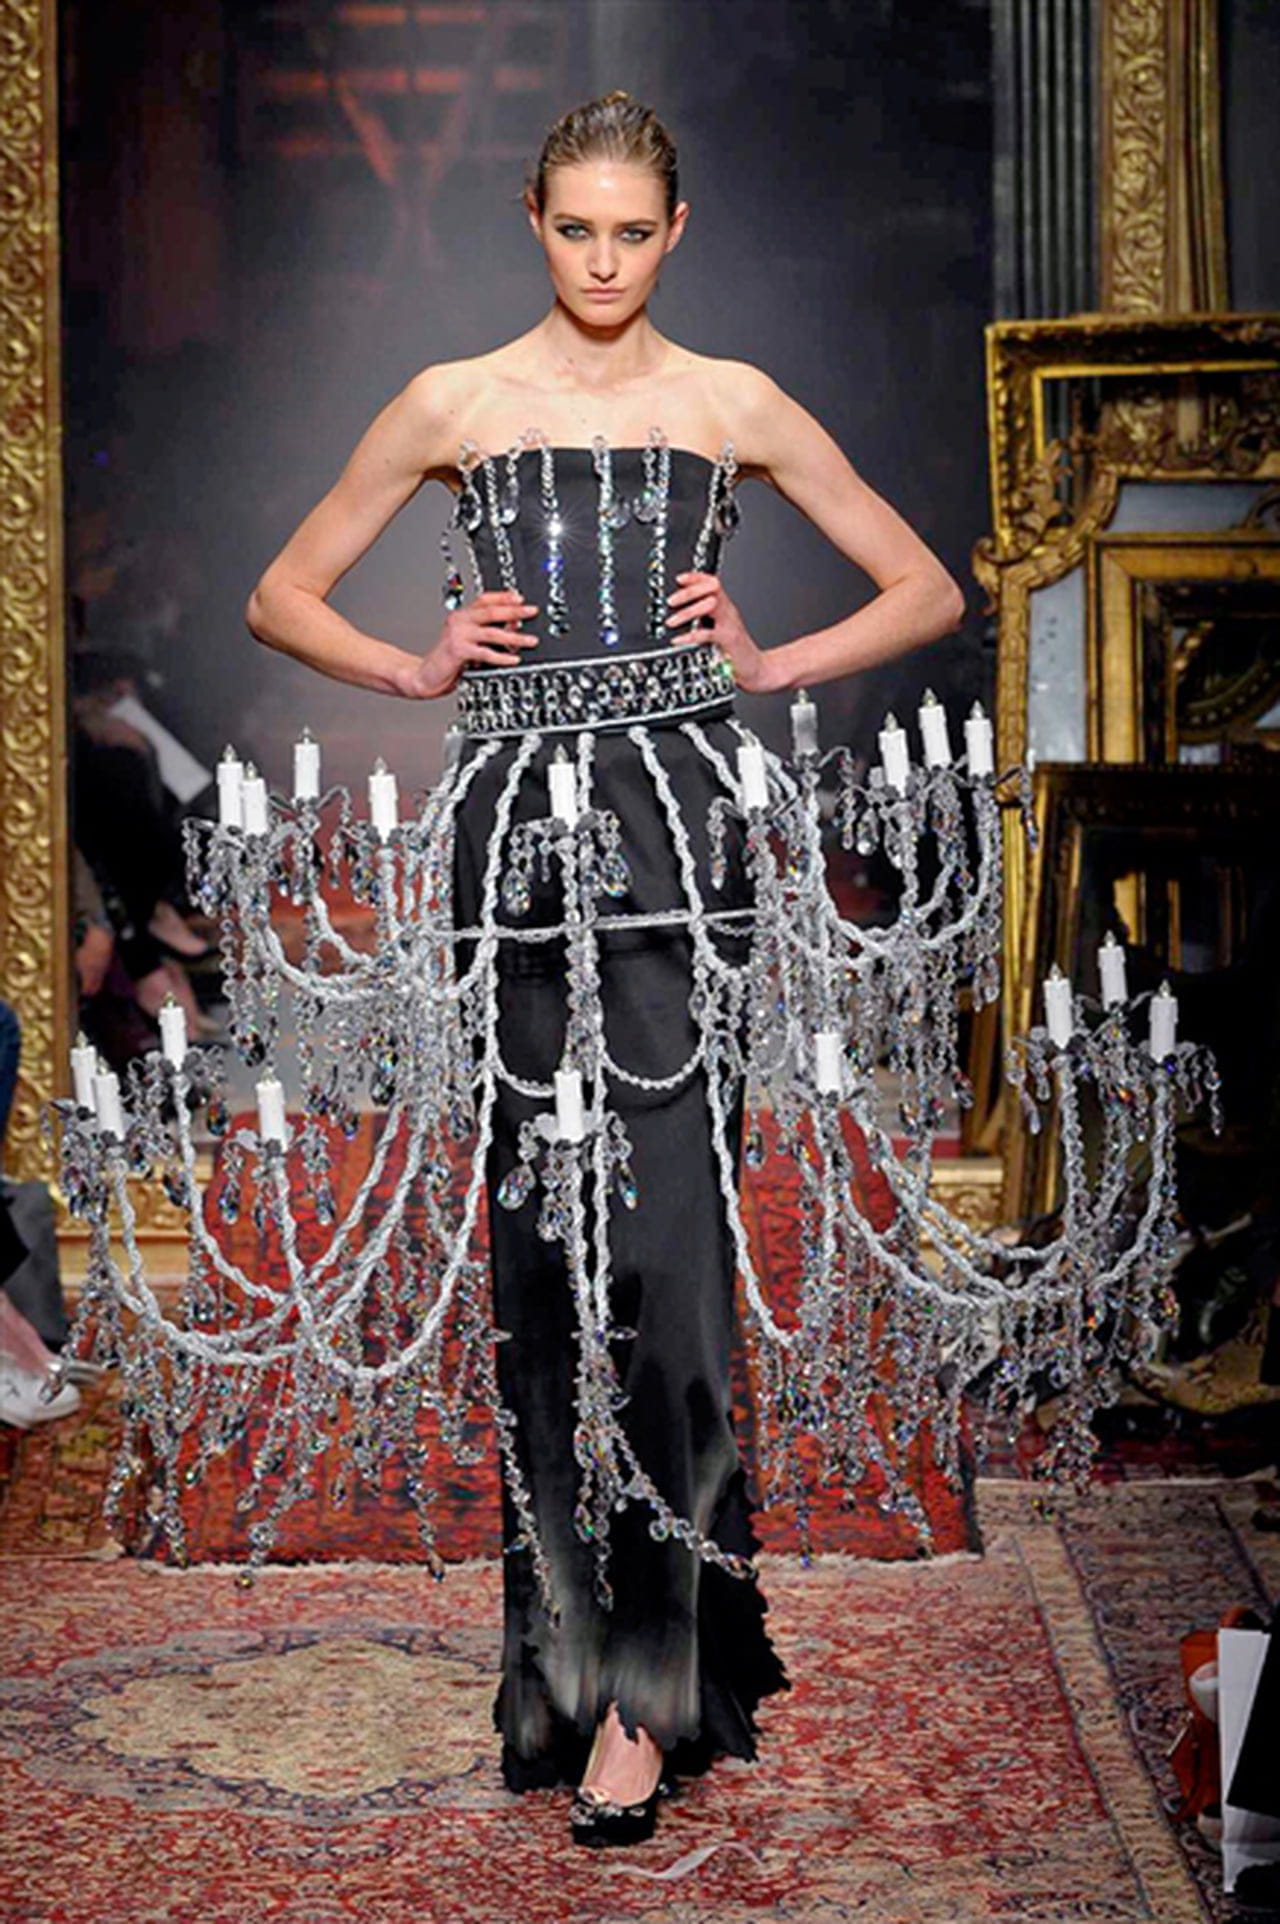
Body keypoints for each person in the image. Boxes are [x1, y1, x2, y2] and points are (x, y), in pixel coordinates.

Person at [245, 93, 962, 1846]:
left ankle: (652, 1688)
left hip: (683, 844)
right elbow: (281, 593)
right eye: (577, 229)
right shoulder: (454, 402)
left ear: (677, 230)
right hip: (511, 846)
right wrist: (414, 670)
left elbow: (927, 586)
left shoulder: (730, 403)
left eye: (634, 232)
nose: (605, 261)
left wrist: (774, 660)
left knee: (672, 1261)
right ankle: (566, 1670)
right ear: (533, 219)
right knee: (541, 1263)